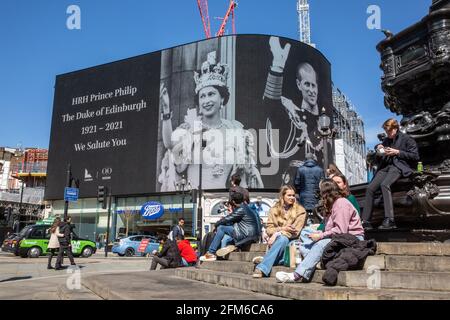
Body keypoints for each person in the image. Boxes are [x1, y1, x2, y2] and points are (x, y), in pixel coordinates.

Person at [158, 52, 264, 191]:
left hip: (222, 203)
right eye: (202, 96)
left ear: (222, 99)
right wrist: (166, 111)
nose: (206, 100)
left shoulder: (235, 131)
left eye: (211, 94)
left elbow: (243, 177)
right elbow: (170, 144)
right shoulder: (191, 128)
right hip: (194, 200)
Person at [275, 179, 364, 283]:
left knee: (321, 243)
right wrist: (319, 233)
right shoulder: (331, 205)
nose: (320, 196)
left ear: (326, 192)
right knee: (305, 235)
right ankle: (317, 262)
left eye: (321, 192)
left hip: (352, 238)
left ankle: (297, 275)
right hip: (338, 237)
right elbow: (330, 228)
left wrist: (321, 236)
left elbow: (341, 231)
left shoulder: (341, 203)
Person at [264, 36, 324, 160]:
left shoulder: (323, 121)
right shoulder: (293, 116)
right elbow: (271, 105)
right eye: (307, 84)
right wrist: (277, 67)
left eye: (314, 85)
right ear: (299, 84)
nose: (312, 90)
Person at [362, 118, 419, 230]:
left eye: (389, 131)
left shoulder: (407, 139)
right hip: (385, 167)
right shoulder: (387, 140)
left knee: (385, 185)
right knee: (370, 188)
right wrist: (379, 148)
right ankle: (366, 221)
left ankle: (390, 219)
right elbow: (379, 156)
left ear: (395, 128)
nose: (388, 134)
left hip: (398, 166)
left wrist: (397, 152)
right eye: (386, 132)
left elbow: (415, 156)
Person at [252, 186, 306, 278]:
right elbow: (269, 229)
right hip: (276, 241)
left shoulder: (300, 211)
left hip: (293, 240)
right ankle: (269, 260)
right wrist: (282, 229)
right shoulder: (274, 209)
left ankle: (262, 266)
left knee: (283, 239)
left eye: (293, 195)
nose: (292, 198)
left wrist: (278, 233)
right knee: (282, 239)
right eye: (289, 195)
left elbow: (295, 231)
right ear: (283, 196)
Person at [199, 191, 262, 261]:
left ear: (233, 201)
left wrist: (216, 224)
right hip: (250, 235)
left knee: (221, 228)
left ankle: (211, 252)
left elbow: (227, 219)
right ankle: (232, 246)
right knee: (225, 233)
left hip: (246, 235)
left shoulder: (241, 209)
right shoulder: (246, 208)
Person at [294, 153, 325, 217]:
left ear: (305, 159)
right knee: (316, 216)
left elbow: (296, 183)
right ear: (313, 159)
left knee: (303, 216)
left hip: (303, 197)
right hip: (316, 197)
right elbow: (323, 184)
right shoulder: (320, 170)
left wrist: (300, 191)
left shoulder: (300, 169)